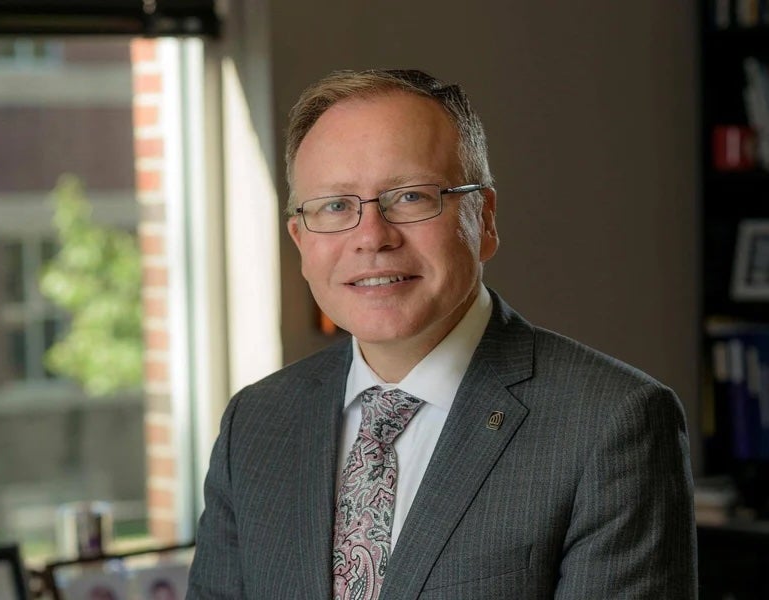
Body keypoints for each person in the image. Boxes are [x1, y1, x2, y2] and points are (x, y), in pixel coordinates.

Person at [187, 68, 697, 599]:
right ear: (300, 239)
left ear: (486, 219)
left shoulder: (611, 424)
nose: (371, 237)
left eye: (409, 197)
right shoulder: (256, 422)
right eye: (336, 206)